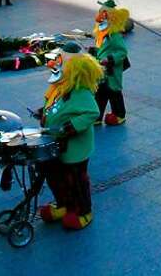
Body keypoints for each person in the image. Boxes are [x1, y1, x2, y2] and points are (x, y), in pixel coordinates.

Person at [37, 43, 102, 231]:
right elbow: (54, 105)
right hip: (56, 143)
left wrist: (71, 127)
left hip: (74, 149)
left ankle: (83, 211)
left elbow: (92, 112)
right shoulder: (59, 86)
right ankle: (63, 204)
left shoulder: (80, 91)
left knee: (76, 181)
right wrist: (44, 113)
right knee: (55, 176)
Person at [91, 0, 130, 126]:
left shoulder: (114, 35)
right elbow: (100, 48)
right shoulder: (101, 33)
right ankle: (97, 116)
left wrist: (110, 59)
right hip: (101, 71)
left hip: (111, 71)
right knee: (100, 94)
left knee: (114, 93)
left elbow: (122, 51)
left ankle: (119, 115)